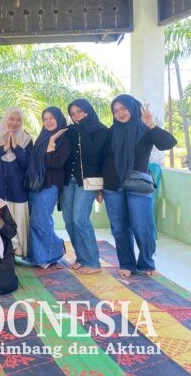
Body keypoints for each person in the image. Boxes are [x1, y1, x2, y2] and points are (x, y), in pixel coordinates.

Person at [101, 94, 176, 277]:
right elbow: (102, 158)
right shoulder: (111, 132)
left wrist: (151, 124)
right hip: (112, 184)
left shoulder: (145, 129)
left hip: (138, 183)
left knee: (143, 226)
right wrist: (98, 187)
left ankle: (146, 263)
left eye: (124, 108)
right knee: (119, 227)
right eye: (115, 110)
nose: (120, 113)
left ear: (134, 108)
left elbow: (168, 143)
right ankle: (127, 263)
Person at [61, 99, 108, 275]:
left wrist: (82, 128)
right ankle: (81, 258)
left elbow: (93, 152)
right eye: (73, 114)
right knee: (69, 221)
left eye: (79, 112)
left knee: (80, 220)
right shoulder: (70, 131)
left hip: (88, 181)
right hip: (68, 181)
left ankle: (93, 262)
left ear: (88, 111)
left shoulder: (101, 130)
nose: (76, 116)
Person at [25, 107, 70, 269]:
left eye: (52, 118)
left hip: (50, 184)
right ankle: (40, 256)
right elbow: (33, 160)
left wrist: (52, 142)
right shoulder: (42, 137)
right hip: (35, 184)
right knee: (35, 221)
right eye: (45, 119)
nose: (48, 121)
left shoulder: (64, 138)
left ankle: (56, 249)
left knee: (41, 220)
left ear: (59, 118)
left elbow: (55, 163)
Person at [0, 107, 33, 258]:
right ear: (6, 119)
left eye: (18, 120)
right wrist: (4, 148)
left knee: (18, 222)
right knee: (0, 221)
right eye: (11, 119)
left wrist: (16, 148)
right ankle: (4, 254)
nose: (14, 123)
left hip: (18, 190)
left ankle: (20, 252)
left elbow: (28, 164)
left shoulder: (26, 139)